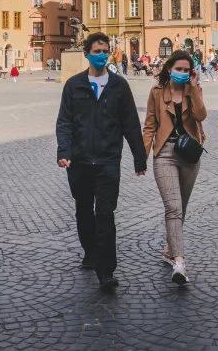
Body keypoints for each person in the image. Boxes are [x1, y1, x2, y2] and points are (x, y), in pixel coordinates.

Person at [56, 32, 147, 292]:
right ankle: (90, 251)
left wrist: (139, 156)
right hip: (80, 161)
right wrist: (64, 151)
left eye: (105, 50)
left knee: (105, 215)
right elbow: (64, 122)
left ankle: (106, 271)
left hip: (108, 161)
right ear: (86, 54)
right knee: (84, 211)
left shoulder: (119, 86)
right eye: (96, 51)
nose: (101, 55)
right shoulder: (74, 85)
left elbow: (130, 123)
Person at [142, 50, 207, 285]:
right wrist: (143, 156)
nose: (181, 73)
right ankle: (179, 262)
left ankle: (170, 248)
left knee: (182, 207)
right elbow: (149, 125)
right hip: (165, 153)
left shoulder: (192, 90)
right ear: (169, 68)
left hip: (189, 153)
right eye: (178, 69)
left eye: (186, 70)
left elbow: (201, 115)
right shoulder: (157, 92)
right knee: (173, 207)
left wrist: (194, 89)